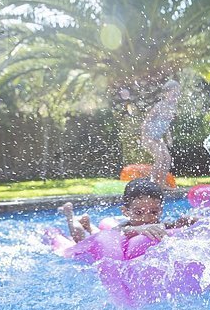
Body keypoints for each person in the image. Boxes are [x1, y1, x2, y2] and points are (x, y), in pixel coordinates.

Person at [59, 178, 197, 243]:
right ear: (125, 212)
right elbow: (114, 233)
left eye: (153, 212)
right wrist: (138, 230)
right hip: (100, 241)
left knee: (95, 232)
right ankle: (70, 215)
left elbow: (174, 224)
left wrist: (185, 221)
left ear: (160, 210)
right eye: (139, 212)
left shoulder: (161, 224)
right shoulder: (125, 226)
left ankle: (88, 225)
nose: (147, 218)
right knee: (80, 238)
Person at [140, 80, 181, 189]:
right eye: (173, 94)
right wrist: (145, 136)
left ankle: (161, 183)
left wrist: (168, 137)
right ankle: (152, 184)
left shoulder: (172, 108)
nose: (175, 97)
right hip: (149, 137)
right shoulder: (159, 106)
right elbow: (147, 121)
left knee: (167, 159)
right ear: (166, 94)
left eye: (177, 95)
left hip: (158, 138)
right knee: (159, 159)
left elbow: (165, 124)